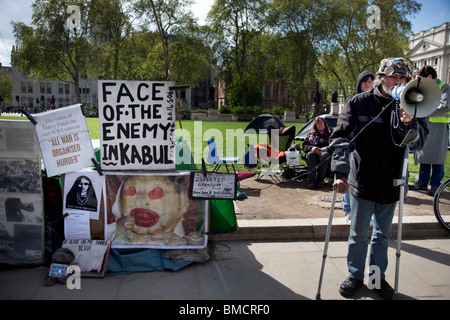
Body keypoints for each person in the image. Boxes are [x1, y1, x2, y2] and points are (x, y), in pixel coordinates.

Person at [329, 57, 429, 299]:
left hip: (392, 184)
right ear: (381, 78)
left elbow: (420, 142)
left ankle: (376, 278)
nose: (399, 82)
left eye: (404, 79)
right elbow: (341, 139)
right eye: (395, 77)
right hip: (362, 182)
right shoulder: (358, 103)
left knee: (382, 235)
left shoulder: (412, 106)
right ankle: (355, 275)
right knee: (358, 233)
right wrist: (340, 174)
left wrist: (410, 124)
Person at [409, 65, 449, 196]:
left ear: (430, 77)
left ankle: (436, 185)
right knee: (424, 155)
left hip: (439, 127)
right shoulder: (425, 89)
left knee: (437, 158)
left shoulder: (444, 87)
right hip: (426, 126)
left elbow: (445, 106)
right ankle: (422, 182)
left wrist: (426, 110)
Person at [342, 70, 375, 224]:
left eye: (371, 81)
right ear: (359, 84)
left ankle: (366, 212)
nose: (368, 85)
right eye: (365, 82)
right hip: (353, 146)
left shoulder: (377, 102)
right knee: (348, 177)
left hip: (369, 148)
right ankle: (348, 210)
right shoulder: (353, 101)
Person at [302, 116, 331, 189]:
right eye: (317, 123)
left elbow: (334, 145)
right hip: (314, 154)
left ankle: (320, 181)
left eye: (321, 123)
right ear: (315, 126)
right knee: (310, 154)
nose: (320, 124)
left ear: (325, 124)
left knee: (325, 155)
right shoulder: (311, 135)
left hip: (325, 155)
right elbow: (305, 146)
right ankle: (312, 181)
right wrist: (313, 148)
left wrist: (325, 149)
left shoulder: (331, 134)